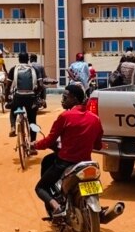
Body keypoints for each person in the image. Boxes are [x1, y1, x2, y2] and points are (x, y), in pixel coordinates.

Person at [33, 84, 103, 217]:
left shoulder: (65, 117)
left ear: (75, 99)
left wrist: (35, 145)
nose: (63, 99)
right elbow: (98, 146)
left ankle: (56, 206)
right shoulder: (95, 119)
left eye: (66, 97)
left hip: (65, 162)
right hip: (87, 163)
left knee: (40, 187)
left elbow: (49, 141)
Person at [7, 52, 39, 142]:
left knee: (13, 110)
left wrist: (7, 99)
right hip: (31, 97)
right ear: (28, 60)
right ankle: (33, 145)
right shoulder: (34, 69)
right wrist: (35, 95)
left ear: (19, 59)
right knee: (32, 121)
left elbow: (7, 86)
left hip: (18, 97)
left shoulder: (14, 69)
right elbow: (40, 85)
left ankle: (13, 127)